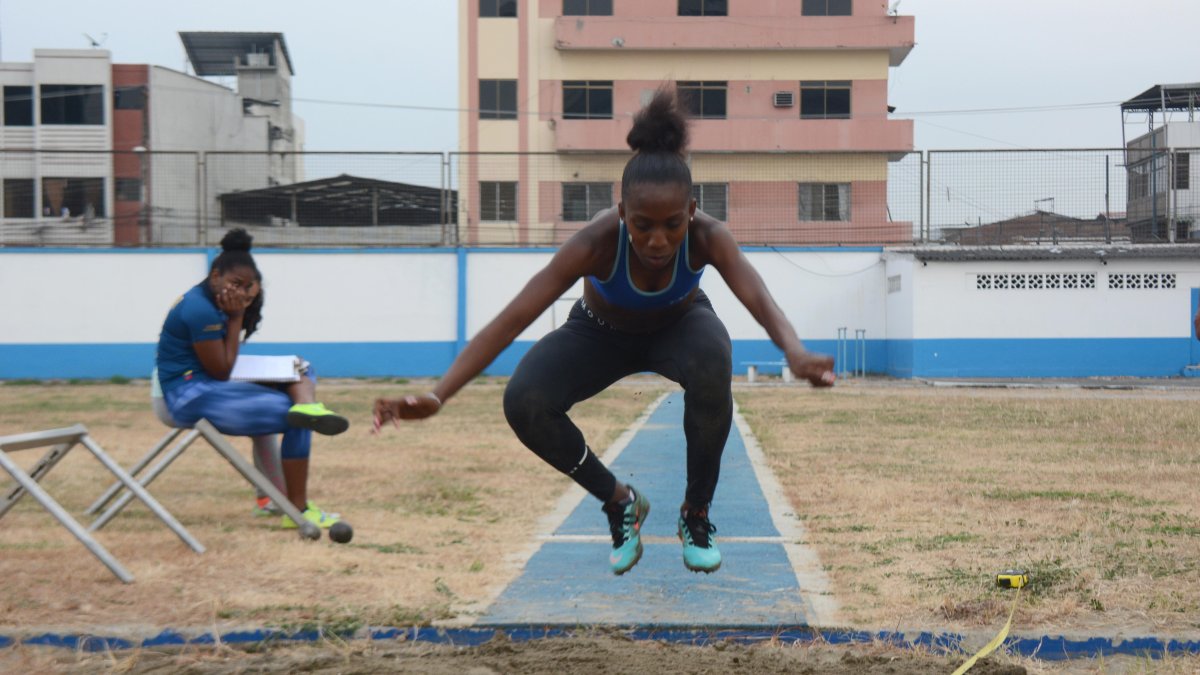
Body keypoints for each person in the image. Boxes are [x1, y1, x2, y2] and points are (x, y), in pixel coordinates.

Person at [373, 90, 835, 575]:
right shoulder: (595, 242)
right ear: (621, 212)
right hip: (599, 333)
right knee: (524, 401)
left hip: (679, 325)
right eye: (642, 225)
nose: (657, 241)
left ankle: (695, 514)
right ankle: (620, 501)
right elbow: (512, 319)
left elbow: (757, 296)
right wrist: (438, 395)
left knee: (713, 357)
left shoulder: (708, 236)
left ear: (692, 210)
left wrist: (795, 351)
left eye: (672, 224)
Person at [155, 228, 349, 529]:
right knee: (294, 418)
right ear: (215, 275)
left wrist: (238, 316)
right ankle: (297, 510)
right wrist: (236, 319)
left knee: (301, 368)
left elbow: (223, 367)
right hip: (187, 395)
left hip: (211, 383)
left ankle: (306, 405)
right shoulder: (200, 308)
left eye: (248, 289)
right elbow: (220, 370)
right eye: (235, 284)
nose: (241, 294)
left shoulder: (216, 299)